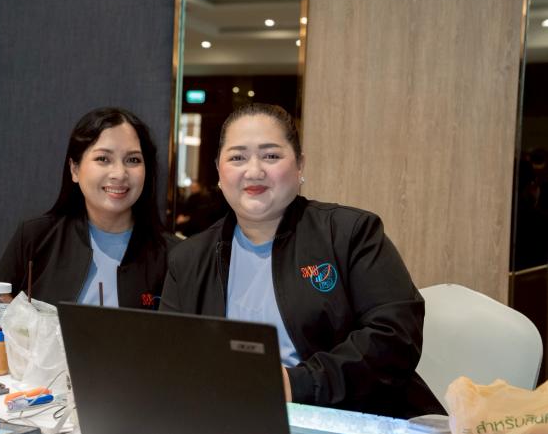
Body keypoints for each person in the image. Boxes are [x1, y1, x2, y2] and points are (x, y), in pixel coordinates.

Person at [160, 103, 444, 418]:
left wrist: (294, 384)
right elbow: (172, 358)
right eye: (237, 157)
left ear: (299, 165)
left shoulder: (350, 233)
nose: (254, 171)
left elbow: (395, 337)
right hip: (233, 419)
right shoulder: (188, 259)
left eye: (271, 156)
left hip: (352, 418)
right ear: (218, 171)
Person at [0, 107, 178, 352]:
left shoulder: (174, 257)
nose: (119, 173)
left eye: (133, 160)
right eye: (103, 159)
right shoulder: (36, 238)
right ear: (75, 169)